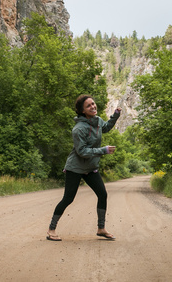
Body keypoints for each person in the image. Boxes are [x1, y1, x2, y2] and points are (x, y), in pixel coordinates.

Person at [47, 94, 121, 241]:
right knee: (68, 198)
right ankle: (51, 229)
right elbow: (82, 152)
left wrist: (115, 116)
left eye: (93, 104)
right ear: (82, 111)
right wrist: (103, 150)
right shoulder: (78, 129)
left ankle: (101, 228)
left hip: (90, 167)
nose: (93, 107)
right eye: (88, 106)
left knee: (102, 194)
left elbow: (105, 128)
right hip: (75, 167)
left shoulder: (98, 121)